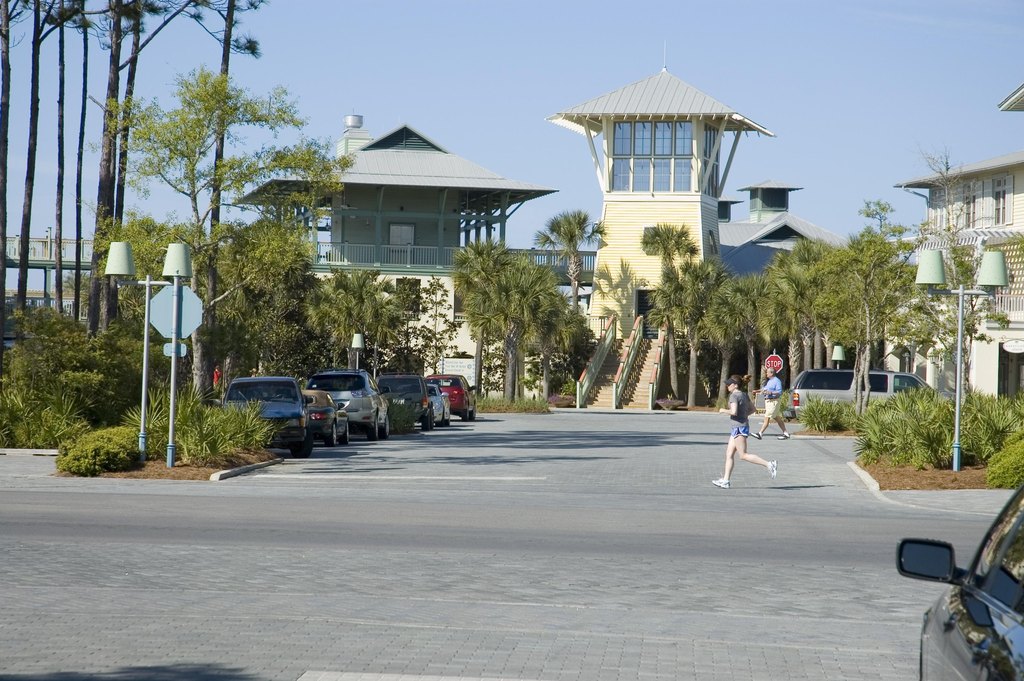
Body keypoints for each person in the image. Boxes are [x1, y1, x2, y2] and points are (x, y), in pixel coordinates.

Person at [713, 374, 777, 489]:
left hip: (739, 428)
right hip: (738, 427)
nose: (727, 386)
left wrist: (723, 410)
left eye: (729, 384)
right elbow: (753, 409)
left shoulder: (734, 396)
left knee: (743, 455)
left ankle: (769, 464)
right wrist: (743, 416)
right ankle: (725, 481)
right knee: (729, 454)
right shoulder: (744, 395)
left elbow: (733, 412)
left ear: (735, 385)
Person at [752, 366, 791, 441]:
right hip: (769, 402)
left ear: (771, 373)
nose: (766, 374)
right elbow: (764, 389)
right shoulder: (770, 381)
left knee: (767, 417)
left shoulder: (777, 381)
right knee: (777, 417)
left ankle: (760, 433)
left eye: (767, 372)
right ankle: (785, 433)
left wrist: (771, 392)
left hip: (773, 401)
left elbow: (779, 392)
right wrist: (757, 391)